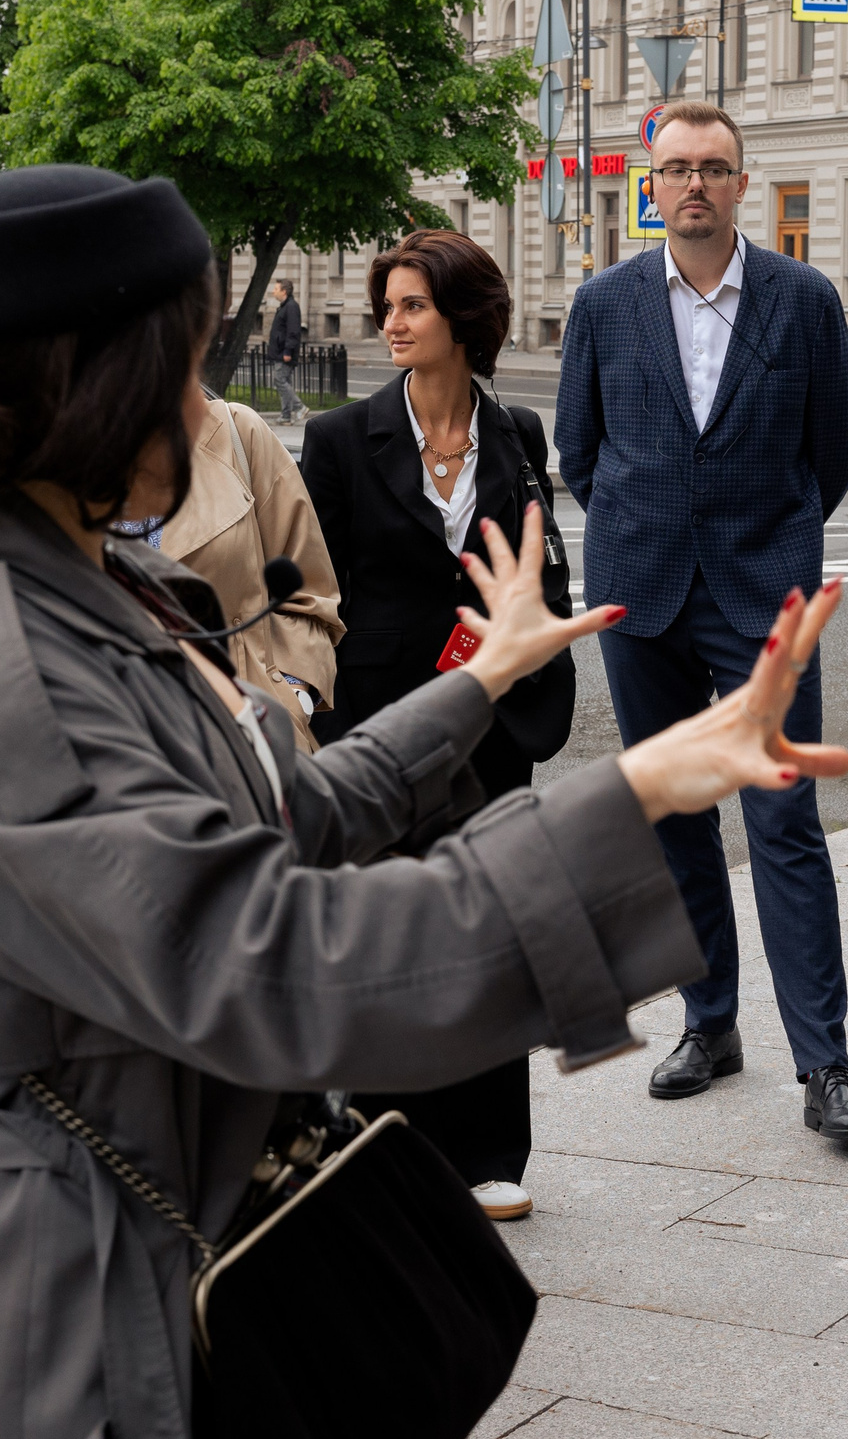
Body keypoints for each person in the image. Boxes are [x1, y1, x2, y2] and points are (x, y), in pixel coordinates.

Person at [0, 163, 848, 1439]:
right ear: (95, 390)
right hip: (71, 1344)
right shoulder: (8, 667)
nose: (203, 410)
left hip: (180, 1258)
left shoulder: (74, 578)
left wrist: (480, 688)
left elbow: (273, 815)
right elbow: (278, 958)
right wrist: (622, 799)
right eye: (185, 372)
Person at [555, 101, 848, 1141]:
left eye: (713, 168)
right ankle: (710, 1022)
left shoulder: (801, 300)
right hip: (640, 593)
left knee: (783, 823)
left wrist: (772, 540)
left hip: (762, 602)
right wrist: (642, 521)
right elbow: (579, 452)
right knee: (672, 819)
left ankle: (824, 1067)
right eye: (675, 169)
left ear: (743, 183)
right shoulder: (603, 304)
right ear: (650, 187)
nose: (693, 184)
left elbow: (830, 454)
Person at [300, 228, 574, 1221]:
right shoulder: (339, 442)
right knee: (389, 930)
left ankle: (491, 1151)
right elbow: (318, 596)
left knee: (491, 927)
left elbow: (543, 573)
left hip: (493, 722)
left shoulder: (518, 437)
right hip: (379, 721)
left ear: (462, 317)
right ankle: (386, 1143)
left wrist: (527, 623)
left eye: (413, 304)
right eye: (389, 304)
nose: (393, 321)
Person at [158, 392, 342, 750]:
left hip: (252, 736)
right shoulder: (49, 464)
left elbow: (309, 592)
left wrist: (291, 699)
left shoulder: (237, 432)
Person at [268, 276, 305, 423]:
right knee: (284, 382)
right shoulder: (285, 306)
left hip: (284, 352)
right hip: (281, 351)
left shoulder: (291, 307)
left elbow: (293, 331)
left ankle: (299, 406)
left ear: (284, 291)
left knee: (280, 380)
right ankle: (286, 415)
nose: (273, 292)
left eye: (276, 289)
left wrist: (288, 351)